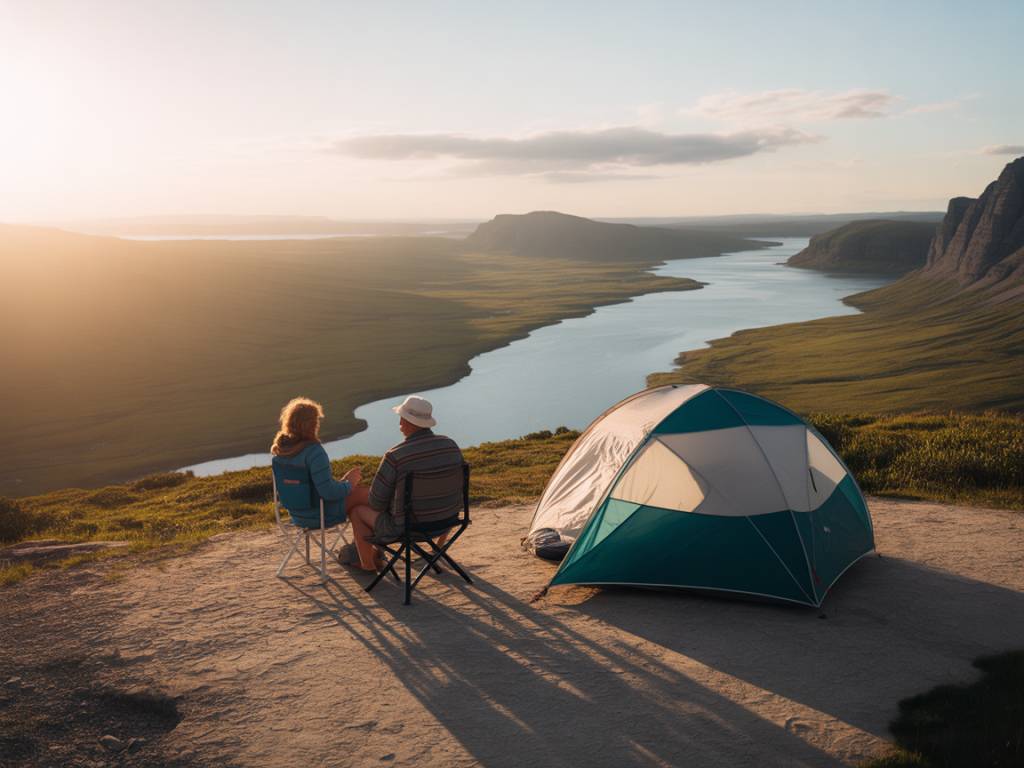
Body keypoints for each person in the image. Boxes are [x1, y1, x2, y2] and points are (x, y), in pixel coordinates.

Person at [346, 396, 464, 572]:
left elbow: (377, 503)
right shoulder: (450, 446)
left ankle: (367, 566)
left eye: (401, 417)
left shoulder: (396, 456)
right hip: (447, 520)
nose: (399, 421)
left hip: (406, 528)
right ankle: (436, 551)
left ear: (406, 422)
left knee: (357, 512)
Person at [270, 397, 368, 528]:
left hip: (297, 516)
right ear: (312, 424)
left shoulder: (280, 454)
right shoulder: (314, 453)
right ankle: (370, 544)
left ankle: (360, 546)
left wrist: (343, 482)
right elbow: (328, 492)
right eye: (316, 420)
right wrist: (349, 484)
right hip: (321, 515)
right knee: (365, 495)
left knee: (357, 493)